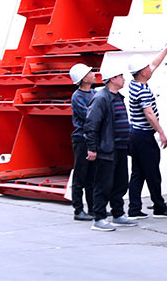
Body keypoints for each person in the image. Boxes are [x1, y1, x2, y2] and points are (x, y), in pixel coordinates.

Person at [126, 40, 167, 219]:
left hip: (135, 135)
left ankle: (134, 209)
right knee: (152, 173)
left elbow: (154, 64)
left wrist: (166, 49)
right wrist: (161, 133)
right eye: (147, 68)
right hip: (144, 137)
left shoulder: (135, 84)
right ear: (142, 72)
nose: (151, 68)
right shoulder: (142, 91)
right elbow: (149, 114)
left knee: (138, 173)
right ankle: (159, 207)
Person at [84, 63, 137, 232]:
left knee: (120, 182)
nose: (123, 79)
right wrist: (92, 148)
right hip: (107, 149)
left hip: (120, 148)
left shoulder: (117, 97)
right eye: (120, 76)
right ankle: (99, 218)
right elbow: (91, 124)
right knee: (103, 184)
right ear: (113, 79)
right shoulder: (101, 98)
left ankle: (118, 214)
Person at [68, 63, 96, 221]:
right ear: (84, 78)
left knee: (92, 176)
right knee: (80, 175)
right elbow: (90, 117)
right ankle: (78, 209)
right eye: (90, 72)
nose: (93, 74)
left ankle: (93, 208)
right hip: (82, 140)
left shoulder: (93, 93)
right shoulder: (77, 97)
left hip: (92, 139)